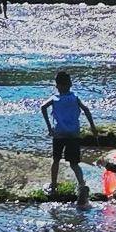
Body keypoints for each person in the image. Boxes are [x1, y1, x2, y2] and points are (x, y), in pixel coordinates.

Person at [41, 69, 97, 205]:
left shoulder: (55, 98)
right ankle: (81, 185)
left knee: (56, 160)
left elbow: (43, 107)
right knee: (74, 163)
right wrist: (92, 126)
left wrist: (49, 127)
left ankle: (53, 185)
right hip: (73, 134)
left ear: (57, 85)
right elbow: (87, 110)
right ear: (70, 84)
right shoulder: (74, 98)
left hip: (59, 134)